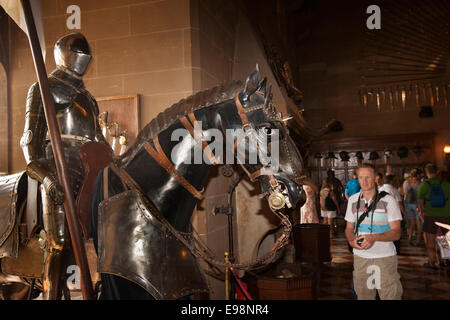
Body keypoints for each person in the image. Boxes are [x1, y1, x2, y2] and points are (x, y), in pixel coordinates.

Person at [20, 33, 109, 299]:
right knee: (57, 242)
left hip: (89, 173)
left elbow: (99, 140)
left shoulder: (89, 99)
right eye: (76, 52)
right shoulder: (44, 87)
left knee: (93, 240)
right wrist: (47, 180)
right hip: (58, 170)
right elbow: (29, 145)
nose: (81, 58)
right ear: (63, 53)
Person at [345, 163, 403, 300]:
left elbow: (396, 232)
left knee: (390, 296)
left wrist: (374, 237)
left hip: (385, 257)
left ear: (376, 178)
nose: (364, 181)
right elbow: (348, 228)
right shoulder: (353, 200)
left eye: (368, 177)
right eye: (361, 177)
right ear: (357, 179)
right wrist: (351, 240)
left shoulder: (388, 200)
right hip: (360, 258)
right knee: (364, 296)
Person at [417, 163, 450, 269]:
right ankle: (445, 260)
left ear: (426, 173)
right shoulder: (446, 184)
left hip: (430, 216)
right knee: (445, 240)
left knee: (430, 242)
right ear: (437, 172)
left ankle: (432, 261)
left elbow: (420, 204)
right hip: (446, 216)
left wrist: (422, 214)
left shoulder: (424, 185)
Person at [403, 170, 422, 246]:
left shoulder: (406, 182)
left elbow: (404, 193)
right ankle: (417, 240)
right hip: (417, 204)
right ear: (417, 176)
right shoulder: (419, 183)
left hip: (408, 204)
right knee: (418, 223)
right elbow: (421, 195)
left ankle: (410, 238)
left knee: (412, 222)